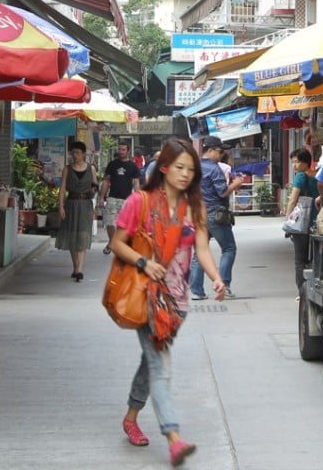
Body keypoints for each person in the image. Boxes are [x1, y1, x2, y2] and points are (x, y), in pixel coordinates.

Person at [107, 137, 225, 467]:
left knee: (152, 361)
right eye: (179, 167)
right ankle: (173, 437)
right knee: (161, 366)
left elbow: (202, 248)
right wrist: (144, 262)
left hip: (178, 301)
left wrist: (216, 277)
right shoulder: (140, 202)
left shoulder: (195, 206)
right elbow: (118, 243)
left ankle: (131, 417)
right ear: (164, 168)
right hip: (147, 295)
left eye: (191, 169)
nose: (185, 174)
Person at [189, 136, 241, 300]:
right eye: (219, 151)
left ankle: (196, 290)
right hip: (215, 214)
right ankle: (224, 285)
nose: (221, 155)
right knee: (229, 248)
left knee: (199, 252)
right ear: (210, 150)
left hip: (198, 214)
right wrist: (236, 184)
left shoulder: (194, 167)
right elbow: (223, 192)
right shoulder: (214, 169)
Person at [56, 141, 98, 281]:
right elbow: (62, 189)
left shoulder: (91, 169)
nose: (75, 155)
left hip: (86, 204)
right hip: (71, 204)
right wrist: (61, 206)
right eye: (73, 153)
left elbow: (95, 186)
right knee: (72, 235)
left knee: (83, 235)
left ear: (84, 154)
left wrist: (94, 196)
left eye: (78, 153)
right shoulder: (67, 169)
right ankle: (75, 266)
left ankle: (80, 269)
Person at [284, 148, 319, 294]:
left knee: (300, 260)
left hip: (301, 223)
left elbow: (293, 199)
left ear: (305, 163)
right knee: (316, 258)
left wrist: (287, 219)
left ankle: (302, 292)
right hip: (317, 222)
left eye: (297, 162)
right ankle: (315, 289)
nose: (294, 165)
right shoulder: (318, 176)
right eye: (293, 162)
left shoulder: (300, 176)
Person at [100, 143, 142, 254]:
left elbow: (136, 183)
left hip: (126, 200)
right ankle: (112, 241)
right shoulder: (112, 164)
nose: (120, 151)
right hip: (112, 198)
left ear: (128, 151)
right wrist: (101, 197)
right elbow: (106, 181)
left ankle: (113, 243)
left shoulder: (133, 166)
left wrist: (138, 199)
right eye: (119, 149)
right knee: (109, 222)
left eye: (123, 149)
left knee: (122, 226)